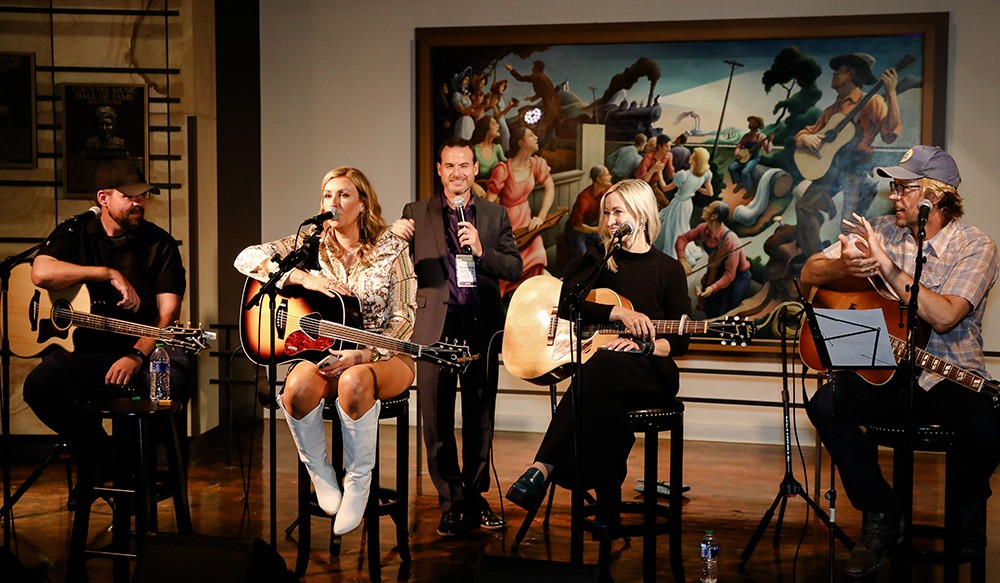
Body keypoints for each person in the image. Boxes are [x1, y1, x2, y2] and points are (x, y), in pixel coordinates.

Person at [800, 146, 1000, 578]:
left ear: (937, 196)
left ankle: (968, 502)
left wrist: (889, 269)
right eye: (894, 186)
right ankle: (882, 512)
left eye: (904, 188)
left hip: (950, 373)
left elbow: (946, 316)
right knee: (825, 405)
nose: (894, 196)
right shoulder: (881, 231)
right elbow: (809, 275)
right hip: (886, 370)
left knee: (987, 426)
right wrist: (839, 264)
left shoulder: (976, 245)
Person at [234, 167, 417, 535]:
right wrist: (303, 277)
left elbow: (404, 319)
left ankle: (357, 481)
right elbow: (245, 257)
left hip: (385, 355)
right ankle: (320, 472)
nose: (333, 203)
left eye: (344, 195)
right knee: (296, 389)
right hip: (327, 352)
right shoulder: (312, 244)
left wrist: (363, 355)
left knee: (353, 381)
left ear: (363, 203)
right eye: (327, 195)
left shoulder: (391, 248)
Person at [505, 178, 690, 530]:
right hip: (606, 374)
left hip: (652, 371)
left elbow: (679, 344)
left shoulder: (669, 270)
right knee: (605, 391)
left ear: (641, 213)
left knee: (599, 368)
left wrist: (643, 345)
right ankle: (607, 511)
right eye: (607, 213)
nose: (610, 221)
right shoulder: (600, 258)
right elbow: (566, 304)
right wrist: (617, 314)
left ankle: (543, 467)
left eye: (618, 212)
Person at [23, 159, 188, 483]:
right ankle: (102, 458)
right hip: (85, 348)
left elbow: (168, 314)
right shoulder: (75, 231)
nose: (139, 202)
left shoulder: (160, 244)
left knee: (173, 383)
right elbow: (40, 273)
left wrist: (137, 355)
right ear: (103, 199)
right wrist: (106, 272)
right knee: (40, 386)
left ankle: (134, 473)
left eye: (143, 196)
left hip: (141, 345)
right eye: (130, 196)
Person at [390, 137, 522, 537]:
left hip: (480, 329)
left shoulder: (495, 214)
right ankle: (450, 501)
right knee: (437, 420)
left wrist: (482, 251)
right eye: (450, 166)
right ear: (439, 169)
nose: (457, 173)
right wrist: (392, 237)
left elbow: (514, 267)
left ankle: (475, 496)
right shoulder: (416, 212)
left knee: (480, 419)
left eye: (464, 166)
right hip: (434, 331)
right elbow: (392, 266)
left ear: (474, 170)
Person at [794, 53, 901, 256]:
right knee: (804, 207)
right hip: (831, 168)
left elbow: (889, 134)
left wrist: (892, 93)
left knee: (850, 226)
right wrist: (804, 139)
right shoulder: (833, 109)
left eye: (839, 71)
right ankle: (814, 260)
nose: (834, 75)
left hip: (856, 168)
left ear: (851, 73)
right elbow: (808, 131)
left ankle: (846, 268)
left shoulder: (873, 101)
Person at [486, 126, 555, 296]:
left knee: (538, 254)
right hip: (508, 224)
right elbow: (488, 203)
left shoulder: (537, 164)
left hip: (527, 222)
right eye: (531, 135)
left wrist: (540, 217)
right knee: (508, 267)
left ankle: (528, 300)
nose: (536, 137)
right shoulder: (503, 169)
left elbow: (550, 187)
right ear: (521, 142)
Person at [675, 200, 751, 318]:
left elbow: (730, 274)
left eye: (709, 207)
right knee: (709, 305)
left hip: (738, 276)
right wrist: (682, 259)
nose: (705, 208)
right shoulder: (704, 229)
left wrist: (712, 287)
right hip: (717, 267)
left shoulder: (731, 241)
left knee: (725, 311)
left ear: (714, 216)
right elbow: (682, 239)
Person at [653, 146, 713, 259]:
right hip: (688, 204)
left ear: (694, 160)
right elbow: (710, 193)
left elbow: (665, 188)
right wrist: (696, 188)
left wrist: (659, 172)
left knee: (673, 228)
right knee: (682, 227)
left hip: (678, 204)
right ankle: (681, 249)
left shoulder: (684, 175)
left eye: (693, 155)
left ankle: (672, 253)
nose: (690, 157)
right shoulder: (705, 173)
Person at [560, 164, 611, 272]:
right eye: (607, 175)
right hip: (576, 230)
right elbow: (576, 225)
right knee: (583, 256)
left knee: (607, 246)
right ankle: (565, 276)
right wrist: (597, 229)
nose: (610, 177)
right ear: (598, 179)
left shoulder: (608, 189)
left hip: (593, 227)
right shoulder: (584, 199)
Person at [728, 115, 771, 195]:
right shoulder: (746, 136)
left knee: (745, 172)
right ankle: (739, 183)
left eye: (752, 121)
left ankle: (749, 189)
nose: (750, 123)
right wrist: (737, 153)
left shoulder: (762, 137)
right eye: (750, 121)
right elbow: (739, 145)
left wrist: (769, 142)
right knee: (731, 168)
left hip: (754, 158)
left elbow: (768, 151)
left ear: (757, 124)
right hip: (743, 157)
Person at [634, 134, 674, 208]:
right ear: (659, 146)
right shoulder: (648, 157)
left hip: (654, 186)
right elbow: (641, 180)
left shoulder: (669, 155)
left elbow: (670, 171)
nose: (669, 149)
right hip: (643, 188)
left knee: (666, 205)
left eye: (670, 146)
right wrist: (653, 170)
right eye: (666, 146)